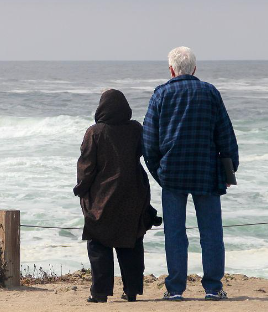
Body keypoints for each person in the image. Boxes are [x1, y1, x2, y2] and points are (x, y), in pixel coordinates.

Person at [143, 47, 239, 301]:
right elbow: (225, 136)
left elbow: (149, 141)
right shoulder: (210, 92)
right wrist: (230, 171)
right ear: (194, 69)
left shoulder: (161, 94)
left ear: (171, 70)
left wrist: (159, 173)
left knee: (175, 233)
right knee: (211, 233)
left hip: (172, 174)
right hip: (206, 172)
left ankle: (175, 289)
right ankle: (213, 288)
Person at [74, 89, 161, 303]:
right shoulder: (135, 129)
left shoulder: (95, 132)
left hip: (102, 196)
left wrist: (81, 189)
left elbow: (87, 167)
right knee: (131, 241)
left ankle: (100, 293)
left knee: (98, 242)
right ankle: (131, 291)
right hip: (134, 193)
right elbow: (146, 153)